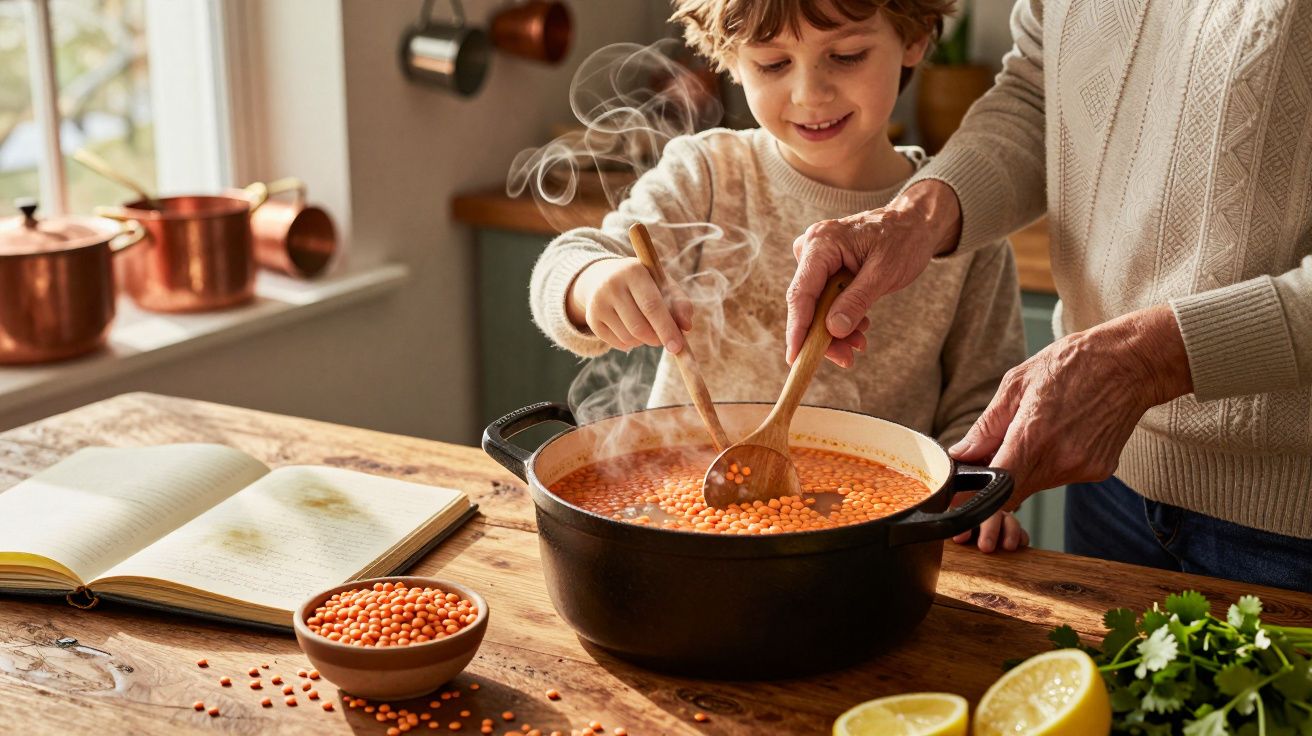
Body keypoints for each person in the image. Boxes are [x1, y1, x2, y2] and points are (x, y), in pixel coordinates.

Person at [785, 0, 1312, 589]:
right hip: (1108, 481)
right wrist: (915, 217)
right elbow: (1040, 93)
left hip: (1289, 516)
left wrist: (1149, 359)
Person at [528, 0, 1031, 550]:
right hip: (675, 525)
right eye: (773, 64)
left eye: (847, 55)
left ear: (913, 38)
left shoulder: (958, 222)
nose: (810, 94)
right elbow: (572, 259)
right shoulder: (706, 174)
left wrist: (971, 492)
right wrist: (592, 281)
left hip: (879, 543)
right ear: (730, 59)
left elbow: (983, 403)